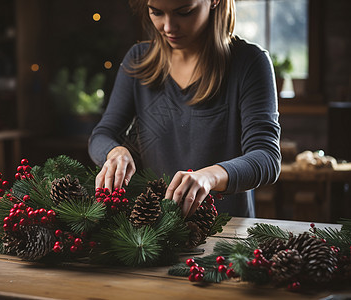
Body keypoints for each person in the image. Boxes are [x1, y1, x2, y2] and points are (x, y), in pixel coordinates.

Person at [88, 0, 281, 218]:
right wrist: (115, 152)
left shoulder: (249, 62)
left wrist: (210, 177)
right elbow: (102, 135)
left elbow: (266, 157)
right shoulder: (138, 59)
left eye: (184, 12)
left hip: (227, 233)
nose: (168, 27)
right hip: (151, 235)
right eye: (157, 13)